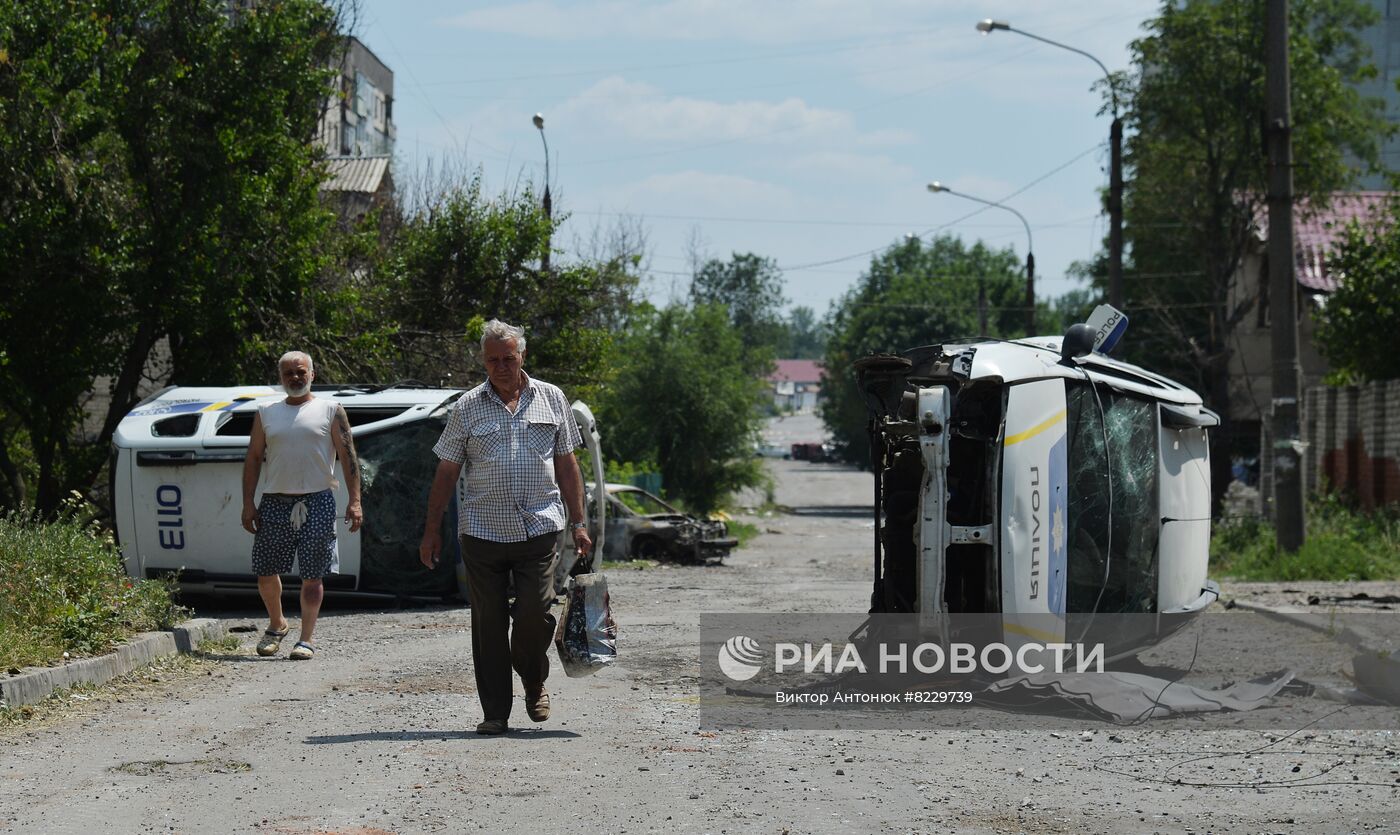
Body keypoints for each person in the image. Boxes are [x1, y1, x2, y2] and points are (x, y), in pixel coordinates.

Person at [420, 319, 592, 735]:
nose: (500, 366)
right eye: (492, 359)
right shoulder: (466, 407)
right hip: (482, 531)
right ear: (483, 360)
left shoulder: (551, 398)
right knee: (488, 624)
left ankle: (534, 680)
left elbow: (568, 465)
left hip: (539, 527)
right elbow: (446, 471)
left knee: (535, 611)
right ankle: (495, 713)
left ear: (522, 357)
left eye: (508, 358)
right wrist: (432, 529)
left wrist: (579, 522)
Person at [241, 351, 363, 660]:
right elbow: (254, 458)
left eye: (301, 372)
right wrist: (248, 503)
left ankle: (305, 639)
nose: (295, 378)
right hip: (274, 501)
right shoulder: (266, 412)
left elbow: (348, 456)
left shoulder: (331, 410)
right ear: (280, 378)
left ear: (312, 374)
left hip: (318, 500)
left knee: (313, 575)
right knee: (265, 571)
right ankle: (277, 623)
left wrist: (355, 501)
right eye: (288, 374)